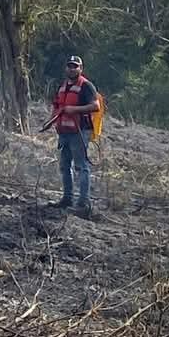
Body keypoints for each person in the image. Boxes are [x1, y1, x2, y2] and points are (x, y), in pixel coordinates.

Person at [51, 55, 99, 217]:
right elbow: (56, 105)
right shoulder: (62, 85)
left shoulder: (86, 86)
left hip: (80, 131)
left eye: (75, 66)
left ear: (81, 69)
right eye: (70, 66)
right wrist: (54, 122)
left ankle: (83, 203)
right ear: (66, 68)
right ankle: (67, 199)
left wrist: (74, 110)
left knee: (81, 167)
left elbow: (95, 106)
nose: (72, 69)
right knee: (65, 166)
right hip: (64, 131)